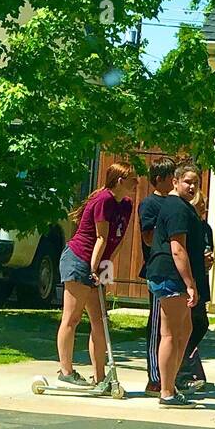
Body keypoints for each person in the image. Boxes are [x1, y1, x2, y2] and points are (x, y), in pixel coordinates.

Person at [57, 164, 136, 387]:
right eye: (132, 179)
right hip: (79, 259)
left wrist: (105, 268)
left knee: (100, 321)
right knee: (71, 318)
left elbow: (117, 241)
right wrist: (93, 269)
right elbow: (101, 237)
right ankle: (66, 371)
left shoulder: (127, 205)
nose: (136, 184)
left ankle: (100, 376)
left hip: (98, 264)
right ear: (120, 181)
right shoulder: (104, 200)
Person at [144, 162, 206, 408]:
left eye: (196, 183)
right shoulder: (177, 208)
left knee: (185, 331)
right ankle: (166, 391)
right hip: (170, 275)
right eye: (188, 181)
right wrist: (190, 283)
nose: (192, 186)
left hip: (172, 276)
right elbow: (177, 248)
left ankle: (171, 383)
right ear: (176, 182)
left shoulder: (181, 206)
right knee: (169, 334)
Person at [138, 156, 177, 397]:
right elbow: (148, 237)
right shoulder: (150, 204)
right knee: (156, 325)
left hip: (177, 271)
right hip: (158, 268)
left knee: (176, 326)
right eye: (170, 176)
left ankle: (173, 373)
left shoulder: (176, 203)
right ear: (159, 179)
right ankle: (154, 376)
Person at [176, 189, 213, 393]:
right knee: (188, 325)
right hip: (188, 280)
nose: (202, 210)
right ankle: (181, 370)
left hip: (201, 278)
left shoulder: (206, 228)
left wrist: (208, 259)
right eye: (199, 206)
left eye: (204, 207)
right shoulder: (186, 225)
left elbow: (207, 250)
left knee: (200, 324)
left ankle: (186, 362)